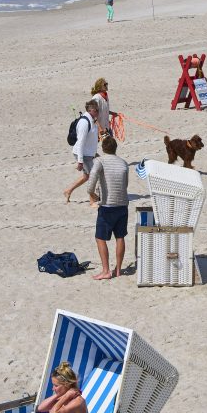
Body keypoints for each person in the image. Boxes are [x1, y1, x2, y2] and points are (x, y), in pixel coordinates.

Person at [86, 136, 129, 279]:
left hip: (107, 206)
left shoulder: (100, 161)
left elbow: (91, 180)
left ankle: (106, 270)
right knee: (120, 237)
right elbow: (125, 184)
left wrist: (92, 194)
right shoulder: (124, 163)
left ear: (103, 148)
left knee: (100, 238)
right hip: (123, 204)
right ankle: (118, 269)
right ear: (115, 148)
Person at [63, 100, 100, 203]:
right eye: (96, 110)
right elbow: (80, 142)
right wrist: (80, 161)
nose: (98, 112)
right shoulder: (84, 122)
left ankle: (68, 190)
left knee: (87, 176)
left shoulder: (92, 120)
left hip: (89, 153)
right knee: (93, 175)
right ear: (91, 110)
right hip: (83, 154)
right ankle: (92, 200)